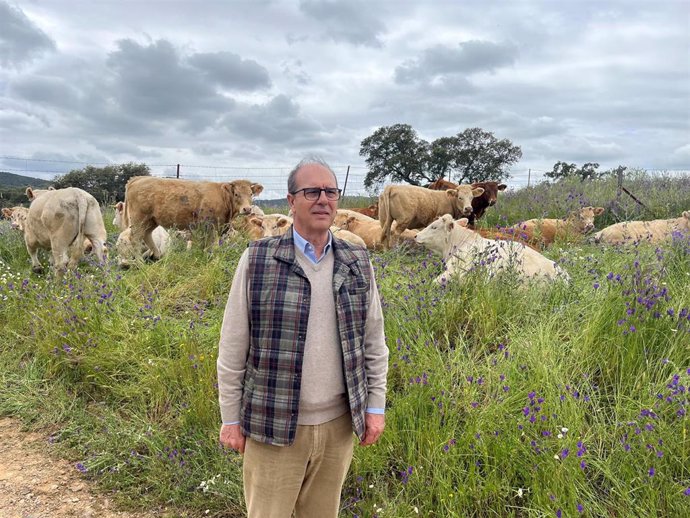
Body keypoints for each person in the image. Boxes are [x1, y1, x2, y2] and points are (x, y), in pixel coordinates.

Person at [217, 157, 389, 518]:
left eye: (330, 191)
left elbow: (373, 340)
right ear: (292, 200)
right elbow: (233, 349)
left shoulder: (356, 258)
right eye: (312, 191)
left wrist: (374, 408)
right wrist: (230, 419)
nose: (323, 199)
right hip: (272, 426)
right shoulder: (258, 260)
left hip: (338, 426)